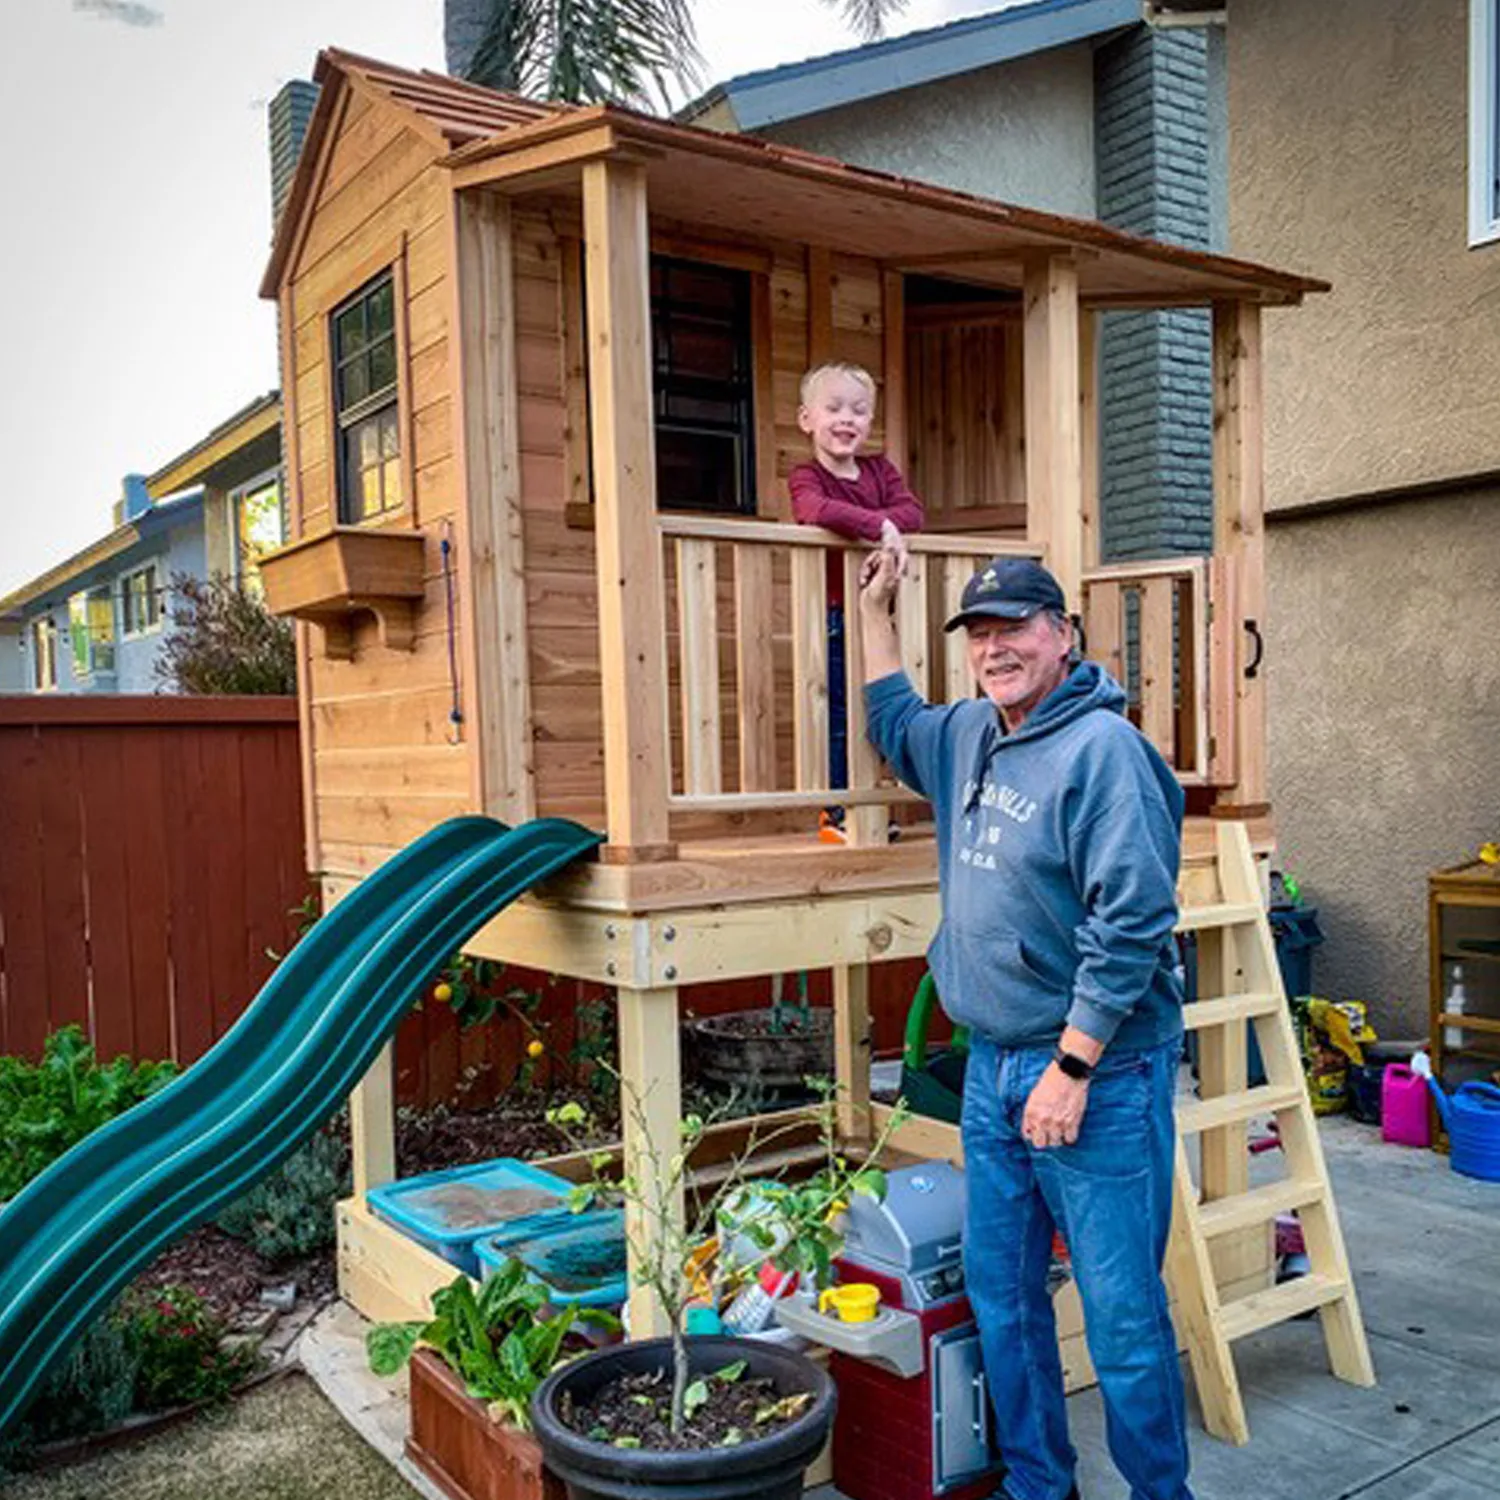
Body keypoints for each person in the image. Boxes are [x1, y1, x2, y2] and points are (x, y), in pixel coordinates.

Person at [857, 548, 1194, 1500]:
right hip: (994, 1070)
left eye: (1015, 627)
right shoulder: (967, 733)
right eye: (980, 634)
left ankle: (1161, 1495)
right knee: (1003, 1304)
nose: (996, 648)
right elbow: (890, 717)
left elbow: (1133, 921)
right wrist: (877, 607)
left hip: (1099, 1077)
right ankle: (1042, 1486)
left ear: (1063, 635)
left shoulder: (1104, 753)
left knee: (1123, 1319)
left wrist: (1074, 1066)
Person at [788, 363, 923, 839]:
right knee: (840, 713)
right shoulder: (807, 476)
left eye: (860, 410)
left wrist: (882, 526)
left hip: (880, 616)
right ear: (807, 419)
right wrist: (880, 528)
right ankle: (838, 810)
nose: (848, 418)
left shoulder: (879, 470)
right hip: (834, 614)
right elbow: (814, 511)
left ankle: (873, 810)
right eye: (835, 408)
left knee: (879, 708)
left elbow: (913, 512)